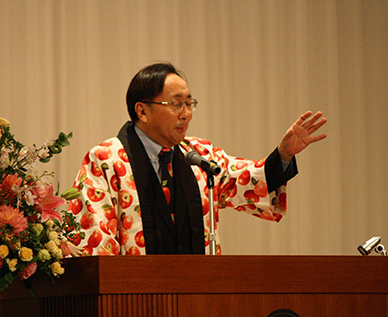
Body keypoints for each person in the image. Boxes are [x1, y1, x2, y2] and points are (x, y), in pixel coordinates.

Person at [68, 62, 327, 255]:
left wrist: (283, 154)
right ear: (142, 111)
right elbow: (95, 242)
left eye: (190, 103)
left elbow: (246, 181)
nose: (186, 113)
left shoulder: (199, 156)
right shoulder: (106, 160)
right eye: (176, 103)